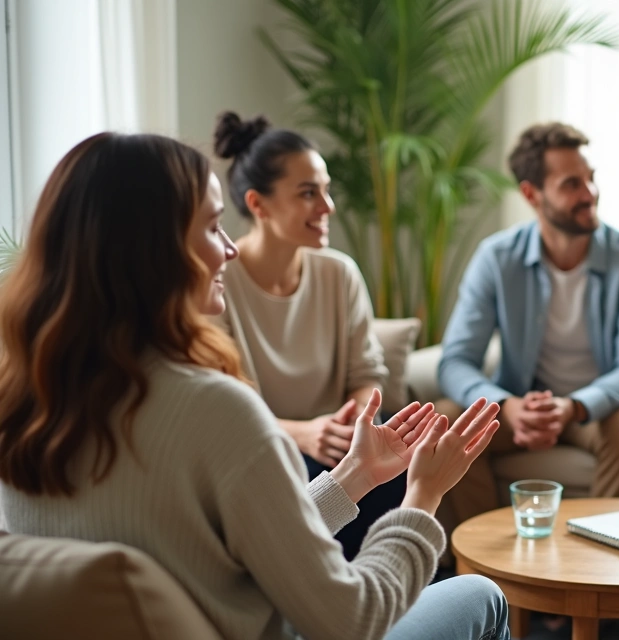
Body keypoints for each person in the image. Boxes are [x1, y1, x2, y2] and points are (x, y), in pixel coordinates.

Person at [0, 132, 509, 640]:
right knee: (482, 596)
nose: (227, 249)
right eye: (214, 226)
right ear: (155, 248)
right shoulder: (215, 409)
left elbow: (217, 548)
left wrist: (354, 474)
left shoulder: (25, 401)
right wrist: (423, 494)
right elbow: (354, 621)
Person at [437, 122, 619, 527]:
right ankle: (483, 569)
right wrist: (505, 406)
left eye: (591, 179)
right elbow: (455, 360)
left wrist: (574, 407)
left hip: (601, 412)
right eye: (571, 184)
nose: (589, 194)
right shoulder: (497, 257)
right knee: (448, 420)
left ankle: (603, 565)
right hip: (521, 407)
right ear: (532, 194)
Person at [211, 112, 397, 559]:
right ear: (259, 204)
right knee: (289, 467)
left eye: (326, 190)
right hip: (269, 448)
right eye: (309, 193)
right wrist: (303, 434)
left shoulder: (339, 273)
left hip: (338, 439)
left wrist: (357, 423)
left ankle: (390, 599)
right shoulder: (218, 286)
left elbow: (366, 372)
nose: (328, 206)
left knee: (398, 462)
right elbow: (219, 403)